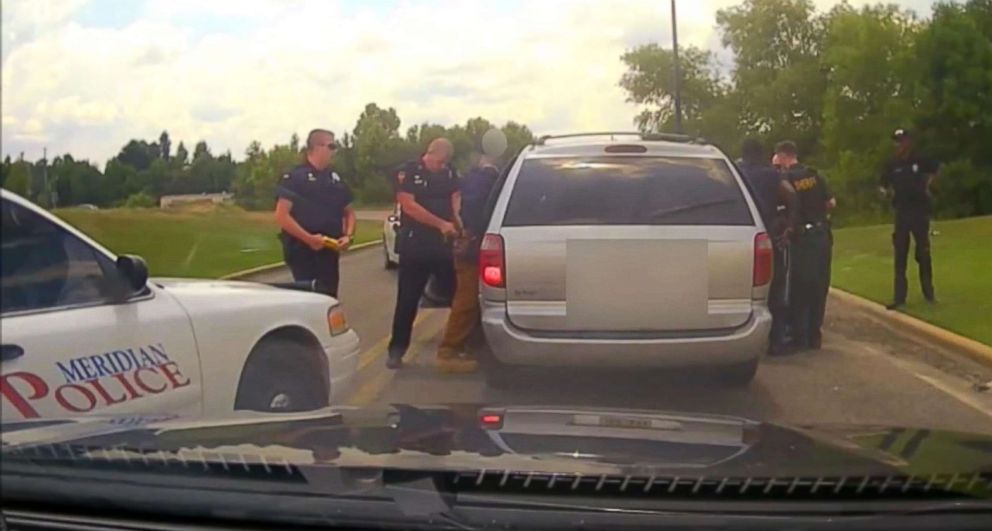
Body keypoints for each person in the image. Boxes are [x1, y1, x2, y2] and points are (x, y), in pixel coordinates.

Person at [387, 138, 469, 371]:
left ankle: (462, 344)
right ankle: (396, 350)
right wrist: (440, 224)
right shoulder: (408, 172)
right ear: (430, 154)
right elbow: (408, 205)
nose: (441, 166)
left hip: (442, 246)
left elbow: (455, 200)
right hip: (415, 246)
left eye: (445, 163)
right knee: (408, 300)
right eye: (439, 162)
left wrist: (459, 223)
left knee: (459, 297)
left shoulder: (450, 173)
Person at [433, 148, 501, 373]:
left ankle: (469, 346)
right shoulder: (485, 180)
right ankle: (448, 351)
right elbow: (471, 211)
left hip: (475, 244)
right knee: (468, 300)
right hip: (473, 245)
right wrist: (471, 232)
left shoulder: (471, 178)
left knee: (474, 300)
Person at [274, 129, 356, 298]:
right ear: (316, 147)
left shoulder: (335, 178)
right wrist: (309, 239)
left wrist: (348, 236)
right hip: (303, 250)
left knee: (329, 297)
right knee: (309, 299)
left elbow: (348, 212)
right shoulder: (295, 177)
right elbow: (282, 216)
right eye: (331, 146)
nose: (334, 151)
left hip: (329, 249)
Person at [738, 139, 798, 355]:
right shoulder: (771, 175)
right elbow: (791, 196)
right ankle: (776, 341)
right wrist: (789, 227)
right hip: (769, 235)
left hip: (741, 236)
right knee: (776, 289)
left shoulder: (735, 172)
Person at [774, 140, 836, 351]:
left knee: (799, 287)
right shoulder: (814, 174)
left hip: (801, 238)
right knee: (819, 286)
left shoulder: (786, 178)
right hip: (822, 235)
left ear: (782, 157)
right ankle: (814, 335)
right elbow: (831, 203)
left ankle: (799, 336)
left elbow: (784, 207)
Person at [879, 129, 939, 310]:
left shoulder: (919, 159)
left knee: (923, 253)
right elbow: (882, 184)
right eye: (896, 142)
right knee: (900, 255)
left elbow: (935, 170)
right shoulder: (891, 164)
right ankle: (899, 298)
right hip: (902, 212)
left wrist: (927, 186)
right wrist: (885, 192)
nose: (898, 145)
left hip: (920, 211)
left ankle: (929, 294)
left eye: (901, 141)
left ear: (908, 142)